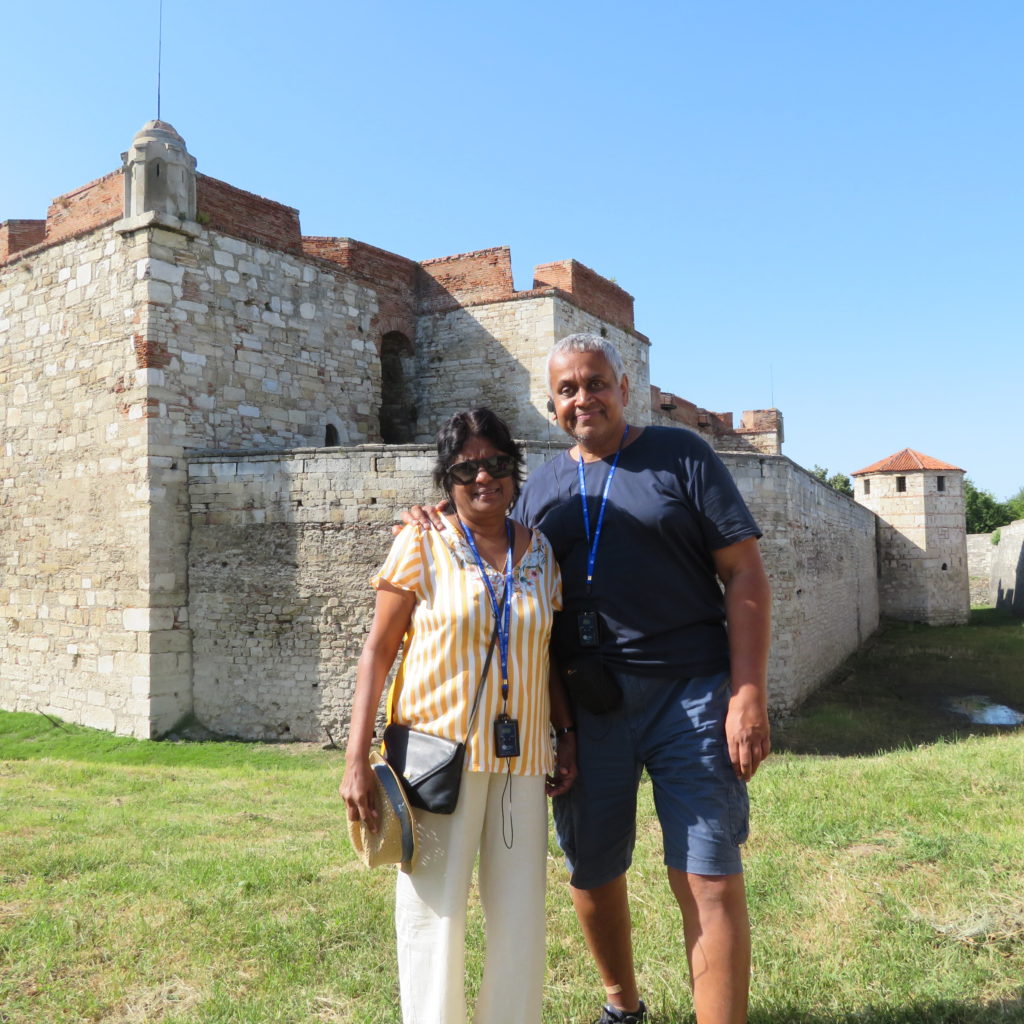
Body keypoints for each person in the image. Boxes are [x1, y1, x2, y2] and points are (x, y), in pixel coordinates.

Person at [404, 335, 771, 1024]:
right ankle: (622, 1006)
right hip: (591, 704)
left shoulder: (680, 455)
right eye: (568, 389)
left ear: (625, 388)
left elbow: (744, 574)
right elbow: (488, 546)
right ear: (553, 405)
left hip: (689, 693)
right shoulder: (538, 487)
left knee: (708, 872)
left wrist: (747, 691)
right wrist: (432, 516)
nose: (584, 398)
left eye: (596, 382)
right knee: (593, 867)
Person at [341, 407, 577, 1024]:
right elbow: (378, 650)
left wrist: (565, 736)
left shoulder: (540, 553)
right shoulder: (421, 540)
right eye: (466, 467)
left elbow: (545, 653)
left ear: (513, 469)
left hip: (522, 761)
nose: (483, 478)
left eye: (496, 464)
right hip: (435, 757)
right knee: (433, 917)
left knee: (520, 916)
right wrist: (355, 760)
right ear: (446, 478)